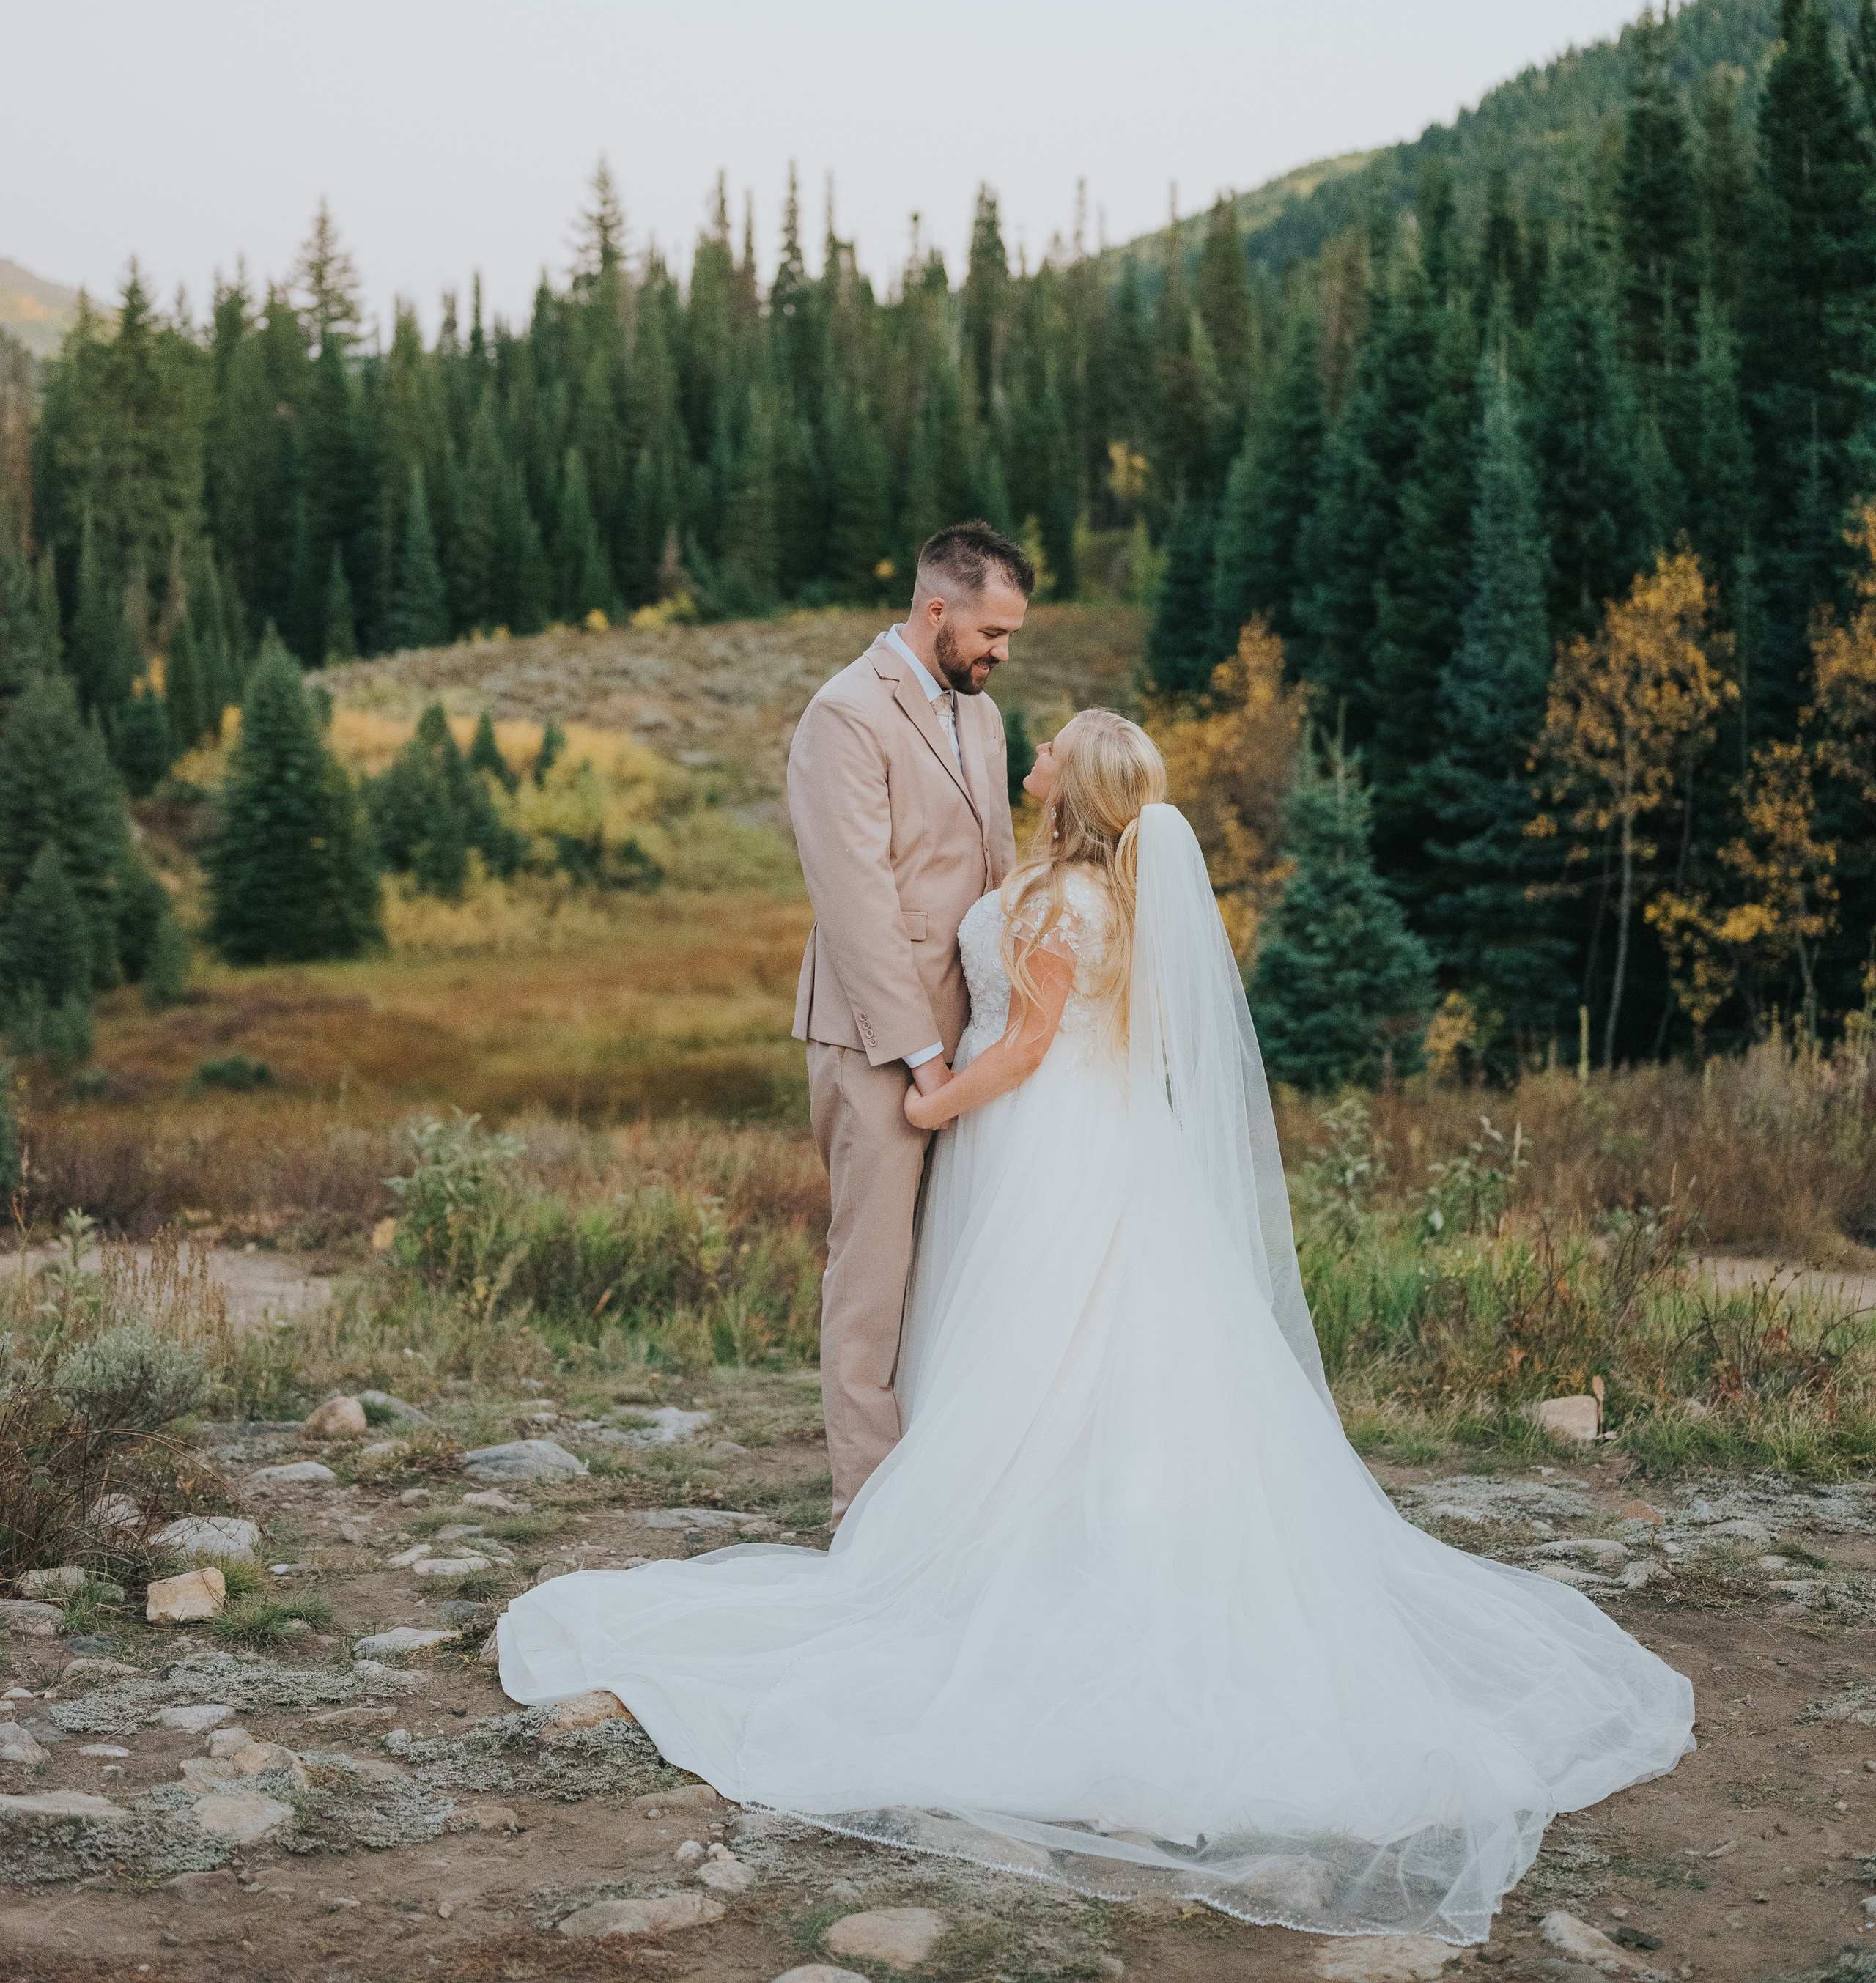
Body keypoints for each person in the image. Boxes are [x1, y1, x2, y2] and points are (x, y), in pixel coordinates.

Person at [495, 711, 1694, 1946]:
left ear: (1078, 784)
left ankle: (1017, 1546)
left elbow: (1020, 1042)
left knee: (1035, 1338)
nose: (1035, 758)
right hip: (1102, 1136)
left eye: (1051, 750)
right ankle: (1068, 1519)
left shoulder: (1060, 896)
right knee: (1101, 1351)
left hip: (1037, 1140)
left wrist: (932, 1097)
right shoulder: (1104, 890)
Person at [783, 519, 1030, 1522]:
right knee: (873, 1275)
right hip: (877, 1041)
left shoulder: (982, 715)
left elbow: (1003, 872)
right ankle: (868, 1514)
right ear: (938, 609)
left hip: (971, 1042)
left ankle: (943, 1493)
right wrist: (925, 1056)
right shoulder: (844, 716)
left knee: (954, 1264)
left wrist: (1011, 1025)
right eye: (991, 632)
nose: (1002, 653)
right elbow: (857, 906)